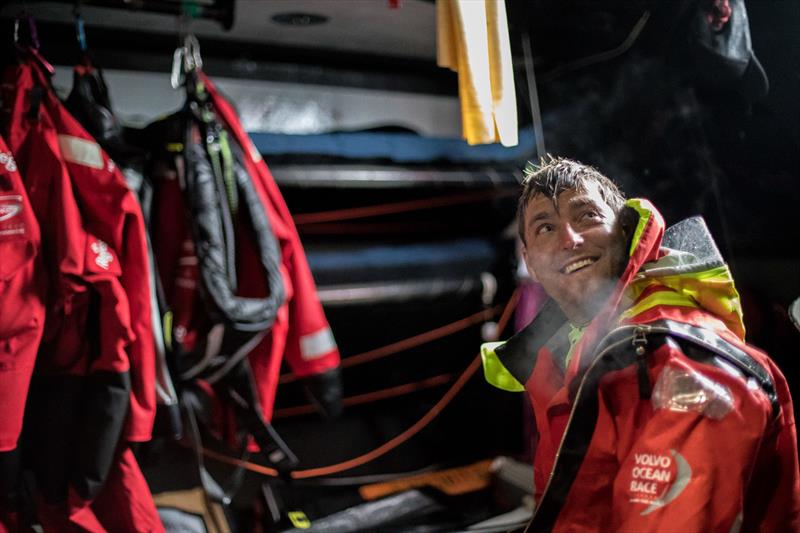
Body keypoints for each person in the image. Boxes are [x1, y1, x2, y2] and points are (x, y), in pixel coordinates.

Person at [481, 156, 800, 531]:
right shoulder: (572, 355)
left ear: (626, 232)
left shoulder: (675, 360)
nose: (570, 238)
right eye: (546, 227)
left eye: (587, 216)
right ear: (530, 262)